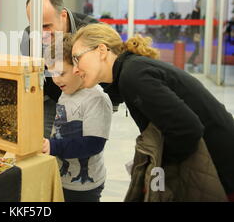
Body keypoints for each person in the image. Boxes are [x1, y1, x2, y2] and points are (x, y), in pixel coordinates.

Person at [71, 22, 234, 201]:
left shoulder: (133, 75)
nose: (75, 69)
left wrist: (157, 167)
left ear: (102, 50)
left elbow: (187, 129)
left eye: (77, 58)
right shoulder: (131, 70)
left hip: (220, 164)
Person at [20, 0, 100, 138]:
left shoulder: (92, 31)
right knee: (44, 144)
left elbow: (107, 73)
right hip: (52, 98)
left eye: (46, 26)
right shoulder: (29, 37)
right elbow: (36, 79)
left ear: (63, 16)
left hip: (89, 97)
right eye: (36, 27)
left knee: (81, 149)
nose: (41, 33)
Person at [42, 34, 112, 202]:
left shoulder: (96, 99)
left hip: (84, 188)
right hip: (62, 178)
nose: (56, 79)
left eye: (61, 73)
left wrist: (53, 146)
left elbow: (93, 144)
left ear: (78, 68)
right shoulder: (66, 92)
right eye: (52, 73)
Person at [187, 0, 201, 69]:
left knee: (198, 48)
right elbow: (194, 22)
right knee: (197, 48)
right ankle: (191, 60)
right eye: (199, 3)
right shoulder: (195, 11)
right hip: (196, 32)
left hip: (198, 32)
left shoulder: (201, 11)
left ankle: (191, 60)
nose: (200, 4)